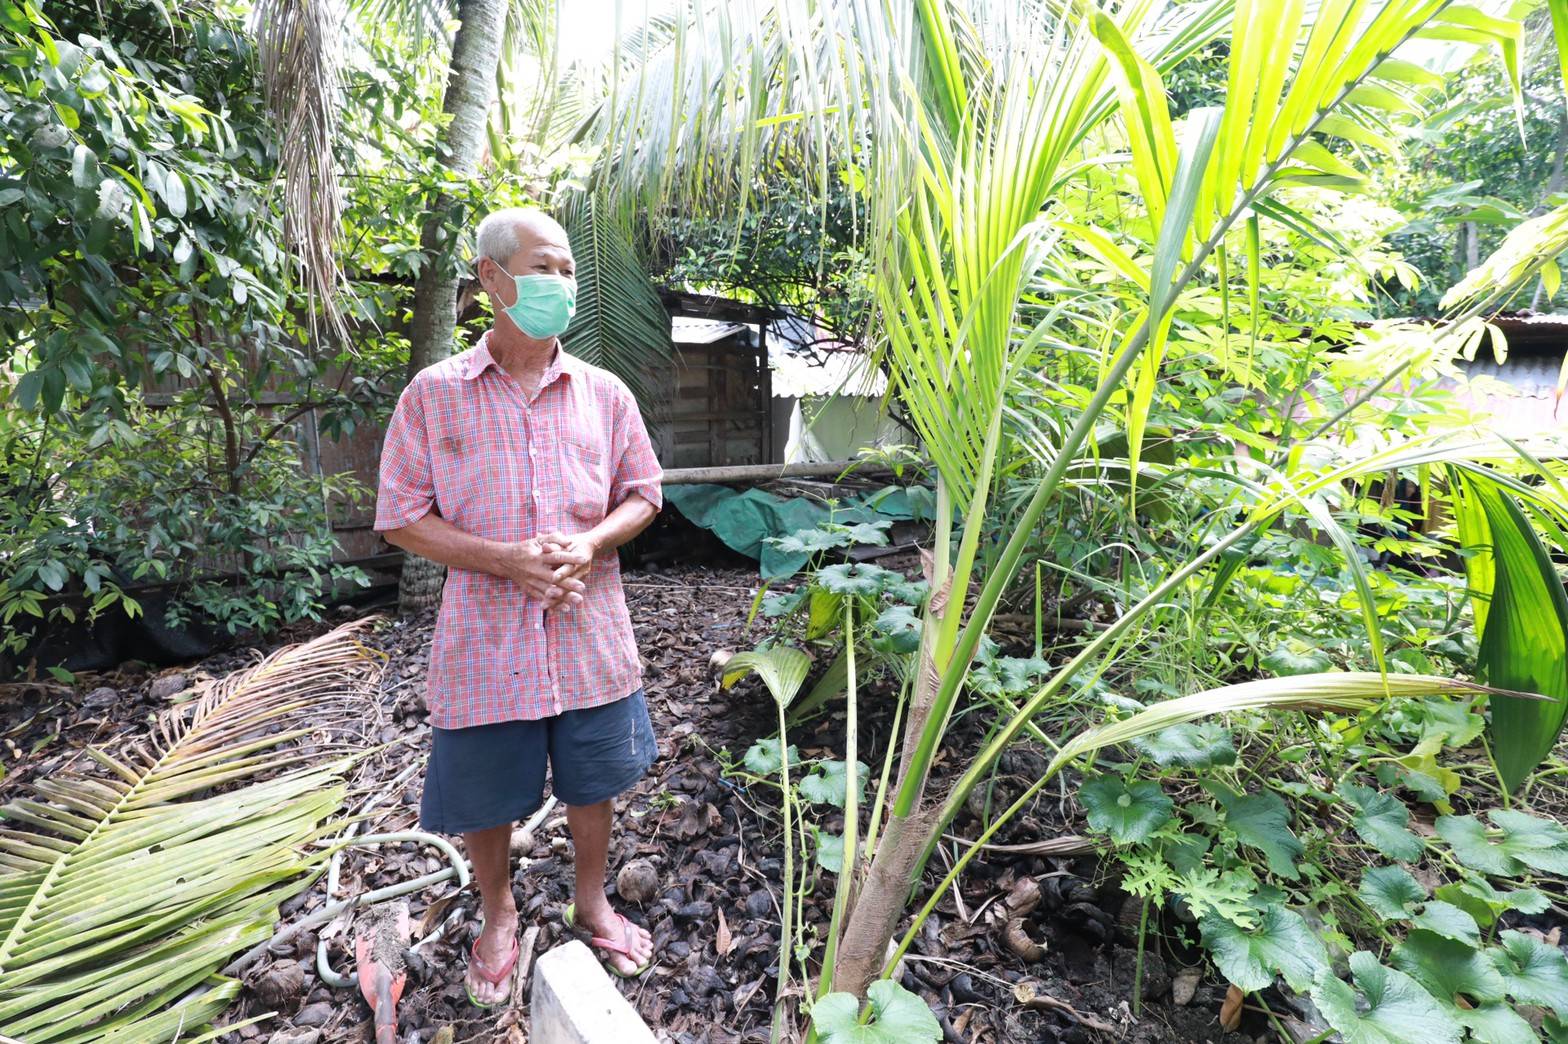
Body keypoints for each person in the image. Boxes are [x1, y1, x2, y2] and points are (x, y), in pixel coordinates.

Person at [373, 207, 662, 1006]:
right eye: (546, 267)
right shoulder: (434, 395)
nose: (563, 284)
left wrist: (591, 542)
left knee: (592, 775)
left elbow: (644, 493)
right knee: (486, 786)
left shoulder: (604, 393)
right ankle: (497, 911)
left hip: (587, 627)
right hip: (484, 638)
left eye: (570, 269)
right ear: (492, 279)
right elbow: (399, 515)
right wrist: (507, 562)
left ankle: (592, 898)